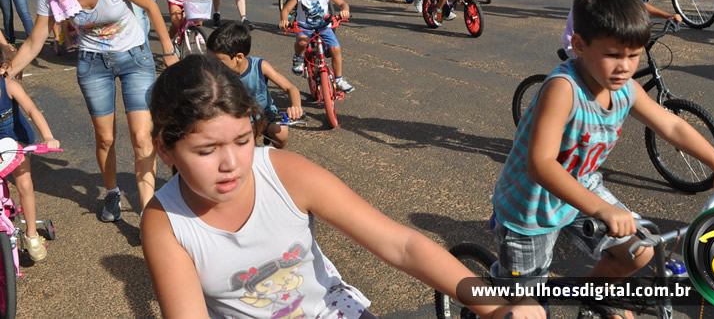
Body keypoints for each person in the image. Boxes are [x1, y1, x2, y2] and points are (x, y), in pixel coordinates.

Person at [141, 55, 543, 319]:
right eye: (207, 150)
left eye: (243, 140)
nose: (231, 163)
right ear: (165, 150)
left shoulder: (284, 173)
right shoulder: (167, 223)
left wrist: (492, 305)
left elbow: (401, 244)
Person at [492, 0, 714, 318]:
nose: (625, 66)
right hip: (531, 206)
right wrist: (602, 210)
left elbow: (671, 125)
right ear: (579, 45)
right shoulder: (564, 89)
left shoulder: (626, 87)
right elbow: (541, 164)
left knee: (638, 251)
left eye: (633, 55)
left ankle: (592, 300)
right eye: (613, 55)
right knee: (524, 304)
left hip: (582, 186)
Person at [5, 0, 177, 222]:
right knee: (105, 138)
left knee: (141, 137)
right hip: (93, 63)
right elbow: (35, 40)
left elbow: (149, 5)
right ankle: (112, 192)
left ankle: (148, 213)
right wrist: (7, 72)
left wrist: (169, 50)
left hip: (134, 57)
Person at [0, 44, 60, 262]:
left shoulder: (9, 85)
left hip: (16, 140)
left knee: (24, 184)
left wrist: (48, 137)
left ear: (2, 68)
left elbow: (32, 110)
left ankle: (32, 234)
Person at [207, 22, 303, 148]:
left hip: (265, 114)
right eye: (209, 60)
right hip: (239, 119)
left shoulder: (259, 66)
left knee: (281, 133)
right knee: (245, 145)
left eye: (218, 61)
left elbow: (290, 88)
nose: (212, 65)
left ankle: (274, 153)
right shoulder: (217, 75)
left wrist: (296, 106)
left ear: (239, 57)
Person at [280, 0, 354, 93]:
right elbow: (286, 9)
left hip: (324, 27)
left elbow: (343, 3)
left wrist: (344, 10)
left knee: (336, 49)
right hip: (304, 27)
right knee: (302, 42)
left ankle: (339, 79)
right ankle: (298, 58)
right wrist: (284, 20)